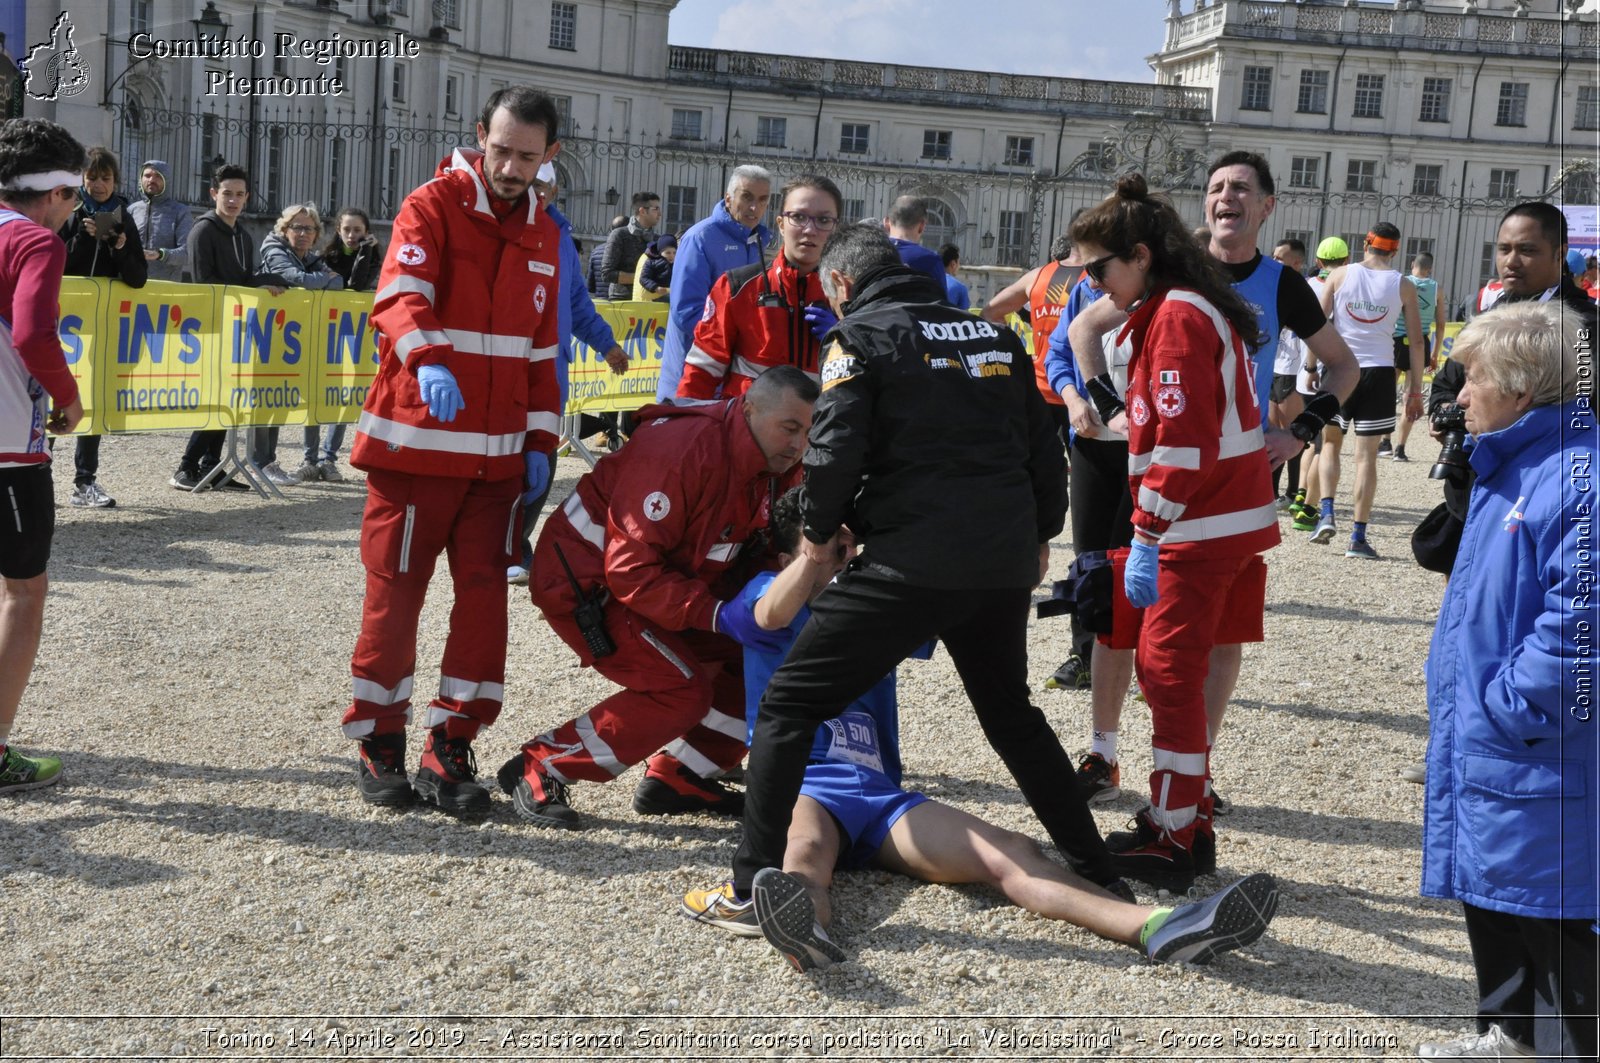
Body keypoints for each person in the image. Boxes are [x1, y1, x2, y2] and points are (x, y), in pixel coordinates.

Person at [718, 224, 1125, 955]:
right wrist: (1039, 534)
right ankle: (1100, 872)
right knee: (1013, 718)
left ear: (842, 286)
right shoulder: (994, 337)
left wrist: (817, 534)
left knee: (789, 703)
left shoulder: (859, 338)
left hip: (912, 558)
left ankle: (750, 882)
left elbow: (835, 448)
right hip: (1000, 559)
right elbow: (1044, 443)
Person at [681, 488, 1280, 972]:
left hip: (880, 797)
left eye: (850, 547)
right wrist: (815, 557)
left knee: (1013, 853)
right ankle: (801, 931)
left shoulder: (867, 611)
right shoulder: (763, 592)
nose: (846, 559)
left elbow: (960, 621)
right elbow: (769, 614)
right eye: (834, 548)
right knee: (806, 854)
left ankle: (1158, 930)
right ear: (794, 554)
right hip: (804, 785)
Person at [340, 86, 563, 817]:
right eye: (500, 149)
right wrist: (428, 357)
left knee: (483, 603)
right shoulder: (431, 204)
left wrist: (540, 437)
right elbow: (399, 293)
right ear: (479, 136)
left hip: (497, 464)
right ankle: (380, 736)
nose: (509, 165)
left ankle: (452, 740)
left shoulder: (545, 233)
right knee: (394, 598)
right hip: (416, 450)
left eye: (526, 156)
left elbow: (539, 350)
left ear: (548, 156)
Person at [1068, 174, 1281, 891]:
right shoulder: (1183, 306)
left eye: (1100, 269)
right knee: (1176, 676)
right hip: (1223, 517)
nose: (1095, 283)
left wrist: (1150, 532)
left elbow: (1182, 445)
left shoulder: (1176, 316)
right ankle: (1187, 822)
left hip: (1200, 522)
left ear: (1139, 254)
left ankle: (1170, 830)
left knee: (1167, 675)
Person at [498, 367, 814, 830]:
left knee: (770, 653)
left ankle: (682, 773)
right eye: (790, 427)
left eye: (810, 430)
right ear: (749, 408)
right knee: (680, 688)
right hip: (589, 586)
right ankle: (543, 763)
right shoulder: (683, 451)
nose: (799, 443)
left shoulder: (776, 464)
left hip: (668, 583)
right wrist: (720, 615)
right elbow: (630, 570)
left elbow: (761, 548)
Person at [1415, 301, 1596, 1062]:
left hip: (1540, 744)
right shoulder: (1512, 460)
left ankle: (1561, 1047)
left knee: (1550, 912)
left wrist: (1510, 705)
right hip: (1499, 739)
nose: (1458, 394)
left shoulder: (1575, 477)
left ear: (1522, 387)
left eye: (1473, 376)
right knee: (1492, 892)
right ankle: (1508, 1035)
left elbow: (1582, 624)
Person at [0, 117, 87, 793]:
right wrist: (68, 397)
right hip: (8, 448)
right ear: (55, 192)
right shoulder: (34, 242)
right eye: (76, 196)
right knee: (23, 592)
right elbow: (31, 333)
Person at [507, 162, 628, 586]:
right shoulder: (499, 226)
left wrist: (607, 344)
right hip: (505, 363)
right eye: (529, 184)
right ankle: (494, 544)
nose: (533, 192)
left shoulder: (559, 235)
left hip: (550, 369)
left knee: (540, 458)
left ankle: (517, 546)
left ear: (554, 190)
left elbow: (576, 300)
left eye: (541, 186)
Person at [983, 235, 1092, 690]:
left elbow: (990, 312)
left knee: (1030, 488)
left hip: (1039, 387)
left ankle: (1022, 570)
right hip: (1082, 395)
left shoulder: (1039, 276)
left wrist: (1023, 339)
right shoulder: (1093, 279)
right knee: (1081, 495)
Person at [170, 164, 287, 493]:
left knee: (229, 398)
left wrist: (266, 282)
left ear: (247, 197)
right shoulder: (202, 231)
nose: (233, 201)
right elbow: (206, 285)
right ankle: (186, 466)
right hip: (210, 329)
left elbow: (245, 280)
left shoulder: (244, 236)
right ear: (213, 194)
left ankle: (212, 465)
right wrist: (251, 286)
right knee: (217, 399)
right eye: (227, 194)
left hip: (237, 330)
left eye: (239, 194)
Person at [1312, 223, 1425, 560]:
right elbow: (1417, 341)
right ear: (1395, 250)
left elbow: (1317, 325)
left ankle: (1327, 514)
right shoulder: (1403, 284)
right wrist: (1415, 389)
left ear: (1366, 245)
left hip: (1339, 367)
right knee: (1367, 457)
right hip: (1379, 370)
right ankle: (1357, 539)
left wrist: (1309, 366)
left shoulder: (1340, 275)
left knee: (1330, 444)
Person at [676, 175, 840, 401]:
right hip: (745, 428)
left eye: (823, 220)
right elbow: (701, 371)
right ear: (781, 224)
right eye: (799, 217)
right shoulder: (736, 287)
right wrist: (685, 423)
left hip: (818, 431)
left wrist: (846, 340)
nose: (809, 230)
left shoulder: (850, 296)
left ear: (835, 228)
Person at [56, 145, 146, 509]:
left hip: (103, 324)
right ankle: (40, 472)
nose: (98, 184)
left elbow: (138, 277)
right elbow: (54, 261)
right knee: (50, 393)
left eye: (105, 178)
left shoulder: (124, 215)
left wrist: (120, 244)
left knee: (92, 397)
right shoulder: (68, 209)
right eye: (92, 177)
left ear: (115, 181)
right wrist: (84, 238)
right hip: (64, 322)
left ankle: (85, 480)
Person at [656, 165, 773, 401]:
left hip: (735, 383)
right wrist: (739, 342)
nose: (754, 207)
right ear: (728, 199)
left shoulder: (759, 241)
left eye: (762, 200)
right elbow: (686, 313)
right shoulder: (700, 238)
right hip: (693, 380)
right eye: (747, 197)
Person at [253, 202, 345, 487]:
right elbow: (290, 278)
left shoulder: (310, 258)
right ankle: (260, 460)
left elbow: (339, 281)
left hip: (289, 337)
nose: (303, 233)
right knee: (262, 400)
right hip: (263, 334)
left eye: (309, 228)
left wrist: (314, 279)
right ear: (285, 229)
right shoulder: (273, 247)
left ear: (317, 233)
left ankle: (268, 460)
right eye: (297, 227)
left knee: (277, 398)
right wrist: (319, 280)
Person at [1387, 253, 1446, 463]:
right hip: (1420, 341)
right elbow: (1440, 325)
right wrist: (1435, 353)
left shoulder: (1402, 282)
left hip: (1396, 339)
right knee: (1411, 394)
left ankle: (1385, 440)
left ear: (1412, 264)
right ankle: (1400, 448)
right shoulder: (1436, 288)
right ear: (1430, 268)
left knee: (1388, 389)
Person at [126, 159, 192, 283]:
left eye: (157, 176)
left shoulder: (180, 212)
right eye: (147, 176)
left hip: (165, 290)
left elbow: (187, 253)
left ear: (166, 180)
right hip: (131, 287)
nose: (151, 180)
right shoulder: (131, 210)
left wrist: (160, 254)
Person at [601, 191, 659, 301]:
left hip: (651, 302)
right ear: (642, 211)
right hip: (622, 300)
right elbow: (607, 274)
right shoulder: (620, 235)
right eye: (655, 209)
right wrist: (643, 280)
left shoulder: (658, 239)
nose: (660, 214)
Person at [881, 195, 946, 289]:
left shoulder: (868, 253)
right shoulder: (931, 260)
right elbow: (942, 300)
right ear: (922, 226)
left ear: (886, 223)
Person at [320, 206, 382, 294]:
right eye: (346, 230)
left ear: (366, 232)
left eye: (357, 230)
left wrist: (366, 248)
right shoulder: (328, 257)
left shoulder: (373, 258)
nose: (351, 235)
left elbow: (356, 286)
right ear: (339, 231)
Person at [631, 232, 675, 302]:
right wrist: (655, 287)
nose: (672, 255)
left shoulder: (676, 263)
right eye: (668, 253)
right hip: (656, 296)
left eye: (674, 253)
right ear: (660, 252)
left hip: (669, 292)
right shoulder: (651, 261)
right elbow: (643, 278)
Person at [939, 243, 970, 310]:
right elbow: (965, 316)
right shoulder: (960, 287)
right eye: (959, 262)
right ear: (953, 264)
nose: (959, 266)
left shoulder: (928, 280)